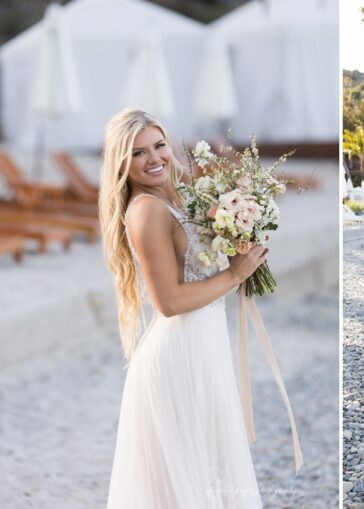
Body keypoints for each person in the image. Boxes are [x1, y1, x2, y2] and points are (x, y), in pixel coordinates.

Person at [100, 109, 267, 508]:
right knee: (185, 484)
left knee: (208, 471)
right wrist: (236, 275)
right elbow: (170, 302)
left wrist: (239, 234)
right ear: (121, 163)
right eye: (138, 153)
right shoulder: (146, 211)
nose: (154, 158)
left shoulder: (177, 197)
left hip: (205, 346)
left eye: (159, 145)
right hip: (178, 357)